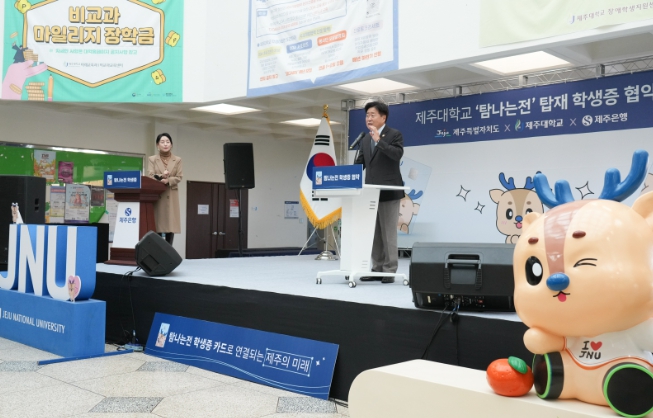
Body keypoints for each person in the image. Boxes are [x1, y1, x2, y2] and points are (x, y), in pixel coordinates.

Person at [354, 101, 404, 283]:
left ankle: (389, 270)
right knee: (374, 234)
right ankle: (377, 268)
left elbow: (396, 154)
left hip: (389, 192)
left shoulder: (394, 134)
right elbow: (359, 164)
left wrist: (379, 141)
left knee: (388, 234)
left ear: (383, 117)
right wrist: (347, 175)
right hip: (370, 194)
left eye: (372, 115)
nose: (368, 118)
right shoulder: (365, 139)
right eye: (367, 115)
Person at [148, 133, 183, 245]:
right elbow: (150, 175)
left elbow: (179, 177)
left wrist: (168, 180)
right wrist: (161, 176)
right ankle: (158, 250)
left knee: (170, 225)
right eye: (162, 142)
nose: (165, 144)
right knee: (158, 225)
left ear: (171, 145)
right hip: (158, 195)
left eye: (168, 142)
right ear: (157, 145)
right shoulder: (152, 159)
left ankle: (169, 250)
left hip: (171, 195)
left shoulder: (177, 160)